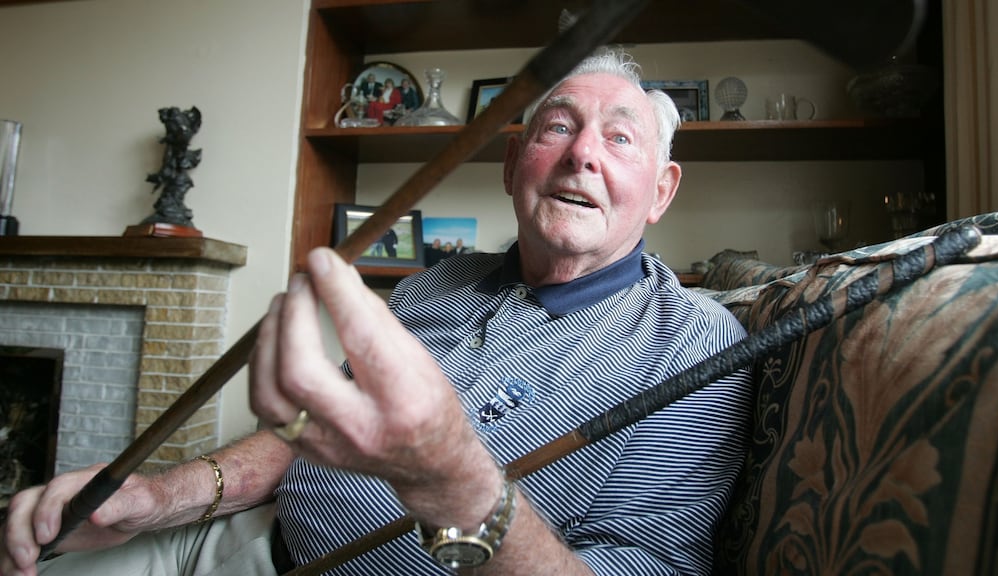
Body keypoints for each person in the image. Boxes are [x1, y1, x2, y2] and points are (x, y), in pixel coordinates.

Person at [0, 48, 752, 576]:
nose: (582, 154)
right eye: (557, 126)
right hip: (239, 540)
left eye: (620, 138)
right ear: (511, 164)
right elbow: (301, 437)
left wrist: (452, 485)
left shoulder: (693, 346)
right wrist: (161, 498)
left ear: (661, 190)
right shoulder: (440, 279)